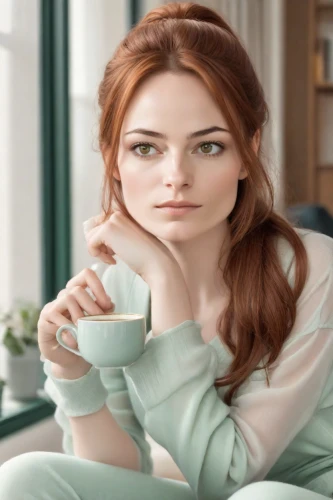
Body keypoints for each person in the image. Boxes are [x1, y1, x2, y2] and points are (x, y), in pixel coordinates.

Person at [0, 2, 332, 499]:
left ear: (248, 151)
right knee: (25, 475)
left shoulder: (313, 269)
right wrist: (75, 377)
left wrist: (162, 274)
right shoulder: (116, 287)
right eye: (146, 148)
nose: (176, 176)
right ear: (113, 159)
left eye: (208, 146)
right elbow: (120, 475)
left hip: (292, 493)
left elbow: (229, 476)